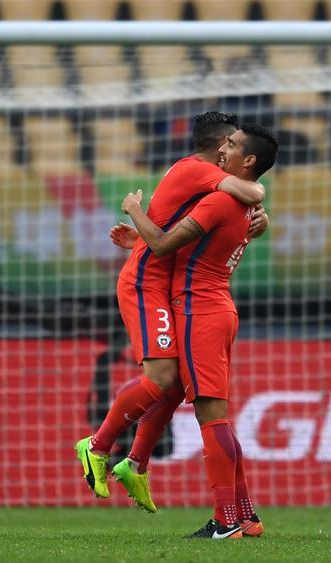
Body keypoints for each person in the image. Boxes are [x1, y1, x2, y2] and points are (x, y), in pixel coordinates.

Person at [73, 112, 268, 513]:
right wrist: (138, 219)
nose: (229, 149)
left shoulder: (211, 186)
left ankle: (138, 464)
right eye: (229, 143)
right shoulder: (196, 170)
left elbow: (191, 231)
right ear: (220, 148)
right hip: (147, 285)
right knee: (163, 377)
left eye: (236, 145)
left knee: (178, 383)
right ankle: (97, 445)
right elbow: (253, 192)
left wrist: (140, 234)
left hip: (175, 287)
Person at [120, 123, 278, 538]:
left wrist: (135, 211)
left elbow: (164, 245)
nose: (223, 149)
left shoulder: (220, 202)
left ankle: (226, 521)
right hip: (219, 307)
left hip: (196, 311)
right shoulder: (245, 209)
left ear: (249, 162)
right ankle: (245, 514)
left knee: (212, 417)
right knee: (218, 418)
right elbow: (193, 246)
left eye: (233, 145)